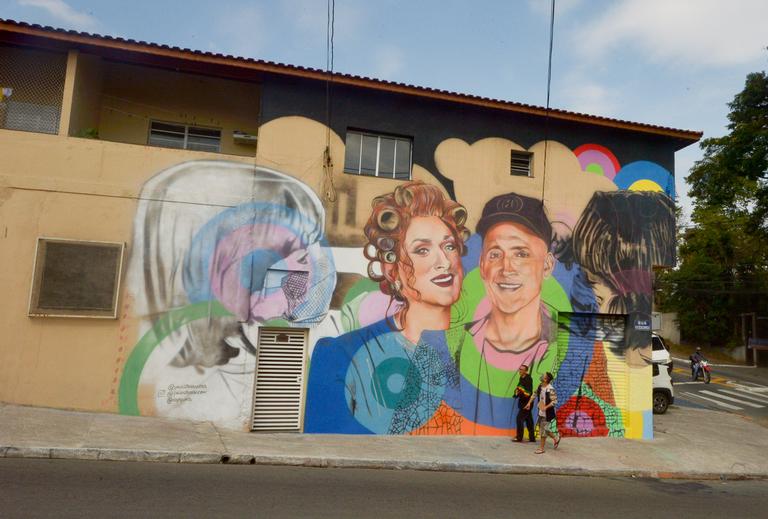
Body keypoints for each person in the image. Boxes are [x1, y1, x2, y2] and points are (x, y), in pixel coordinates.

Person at [304, 181, 471, 434]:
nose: (444, 261)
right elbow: (329, 452)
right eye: (422, 250)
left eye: (449, 246)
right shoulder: (341, 356)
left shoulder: (482, 357)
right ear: (392, 270)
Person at [535, 372, 560, 454]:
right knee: (544, 429)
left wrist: (546, 407)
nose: (541, 376)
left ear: (546, 379)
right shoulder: (540, 386)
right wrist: (529, 403)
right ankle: (556, 437)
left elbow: (554, 401)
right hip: (541, 412)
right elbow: (535, 394)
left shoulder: (551, 389)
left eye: (543, 376)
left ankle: (541, 448)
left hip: (547, 413)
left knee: (543, 431)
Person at [512, 364, 535, 442]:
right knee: (529, 420)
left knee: (519, 419)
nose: (520, 371)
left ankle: (519, 437)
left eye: (522, 370)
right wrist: (516, 393)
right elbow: (519, 388)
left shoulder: (528, 379)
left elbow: (528, 392)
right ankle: (532, 438)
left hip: (527, 403)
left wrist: (520, 393)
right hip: (523, 402)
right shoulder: (521, 378)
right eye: (520, 369)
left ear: (526, 371)